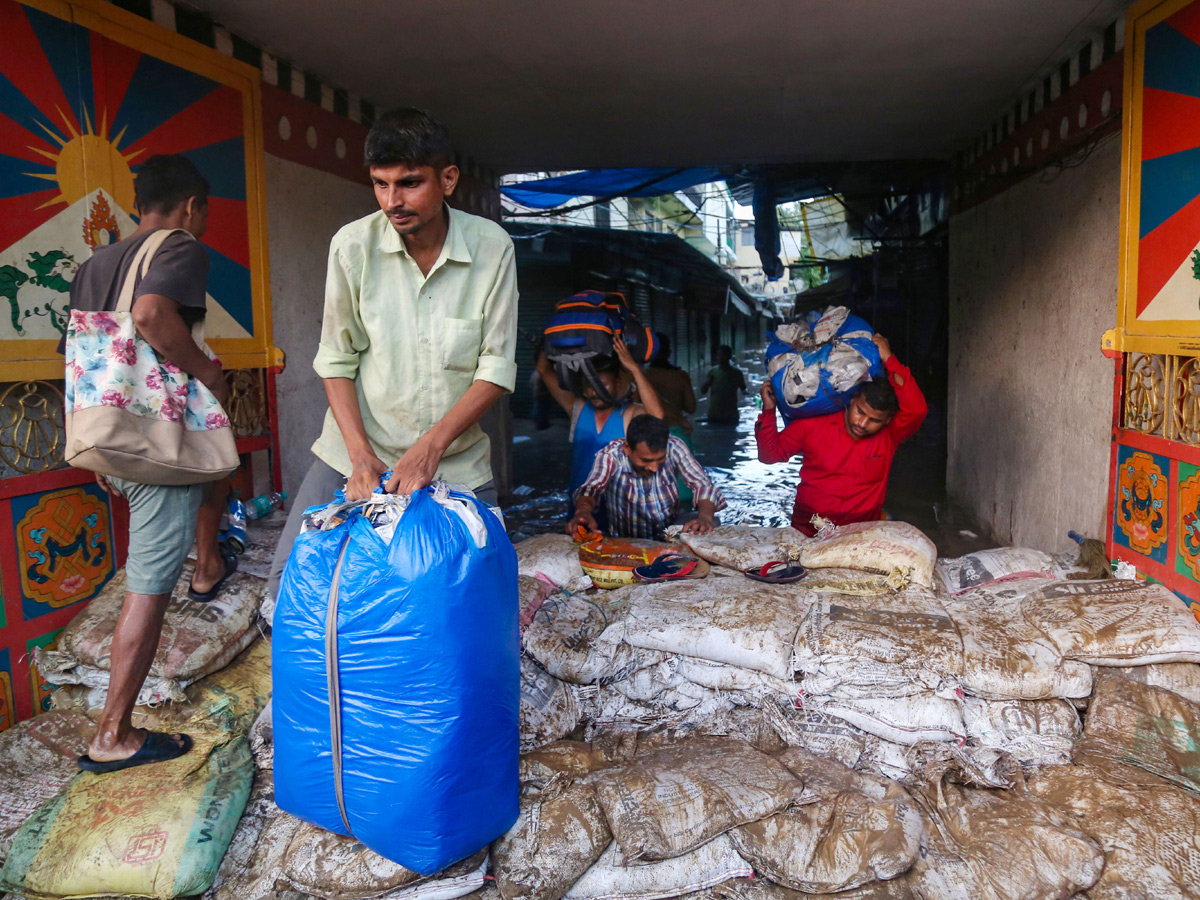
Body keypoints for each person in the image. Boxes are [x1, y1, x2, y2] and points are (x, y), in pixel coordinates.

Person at [266, 107, 518, 601]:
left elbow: (495, 367)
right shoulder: (352, 247)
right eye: (380, 185)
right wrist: (361, 458)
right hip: (354, 453)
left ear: (448, 180)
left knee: (480, 593)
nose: (392, 201)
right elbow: (336, 360)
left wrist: (430, 448)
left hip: (456, 462)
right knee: (288, 588)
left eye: (408, 183)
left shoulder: (494, 248)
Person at [70, 154, 230, 771]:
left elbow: (86, 353)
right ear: (192, 206)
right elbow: (150, 316)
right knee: (148, 587)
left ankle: (210, 564)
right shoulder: (181, 247)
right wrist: (205, 368)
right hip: (154, 449)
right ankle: (112, 735)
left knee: (218, 466)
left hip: (110, 439)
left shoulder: (95, 264)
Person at [755, 334, 928, 535]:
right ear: (853, 398)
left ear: (888, 420)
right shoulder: (813, 423)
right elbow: (769, 455)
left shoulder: (890, 435)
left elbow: (917, 409)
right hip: (808, 530)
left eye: (874, 420)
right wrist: (769, 411)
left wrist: (889, 359)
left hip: (859, 535)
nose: (862, 424)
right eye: (860, 412)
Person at [536, 335, 665, 517]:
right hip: (581, 505)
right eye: (588, 385)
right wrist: (552, 335)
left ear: (617, 383)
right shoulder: (579, 408)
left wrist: (634, 368)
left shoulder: (628, 414)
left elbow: (657, 415)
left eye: (601, 385)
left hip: (620, 508)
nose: (592, 392)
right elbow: (543, 370)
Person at [568, 414, 726, 540]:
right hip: (626, 539)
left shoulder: (674, 446)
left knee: (712, 524)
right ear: (627, 448)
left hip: (669, 533)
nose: (654, 467)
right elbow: (592, 488)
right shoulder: (610, 455)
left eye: (660, 459)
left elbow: (702, 485)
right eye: (646, 460)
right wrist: (583, 511)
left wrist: (705, 517)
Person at [643, 332, 696, 436]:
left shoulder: (642, 377)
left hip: (650, 434)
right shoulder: (681, 376)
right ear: (669, 352)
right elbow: (691, 408)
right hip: (677, 431)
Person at [700, 344, 746, 424]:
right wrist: (707, 384)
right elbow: (703, 391)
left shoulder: (737, 373)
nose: (721, 357)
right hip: (715, 415)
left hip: (731, 416)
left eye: (724, 355)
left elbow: (744, 389)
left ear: (729, 356)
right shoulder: (713, 372)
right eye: (719, 355)